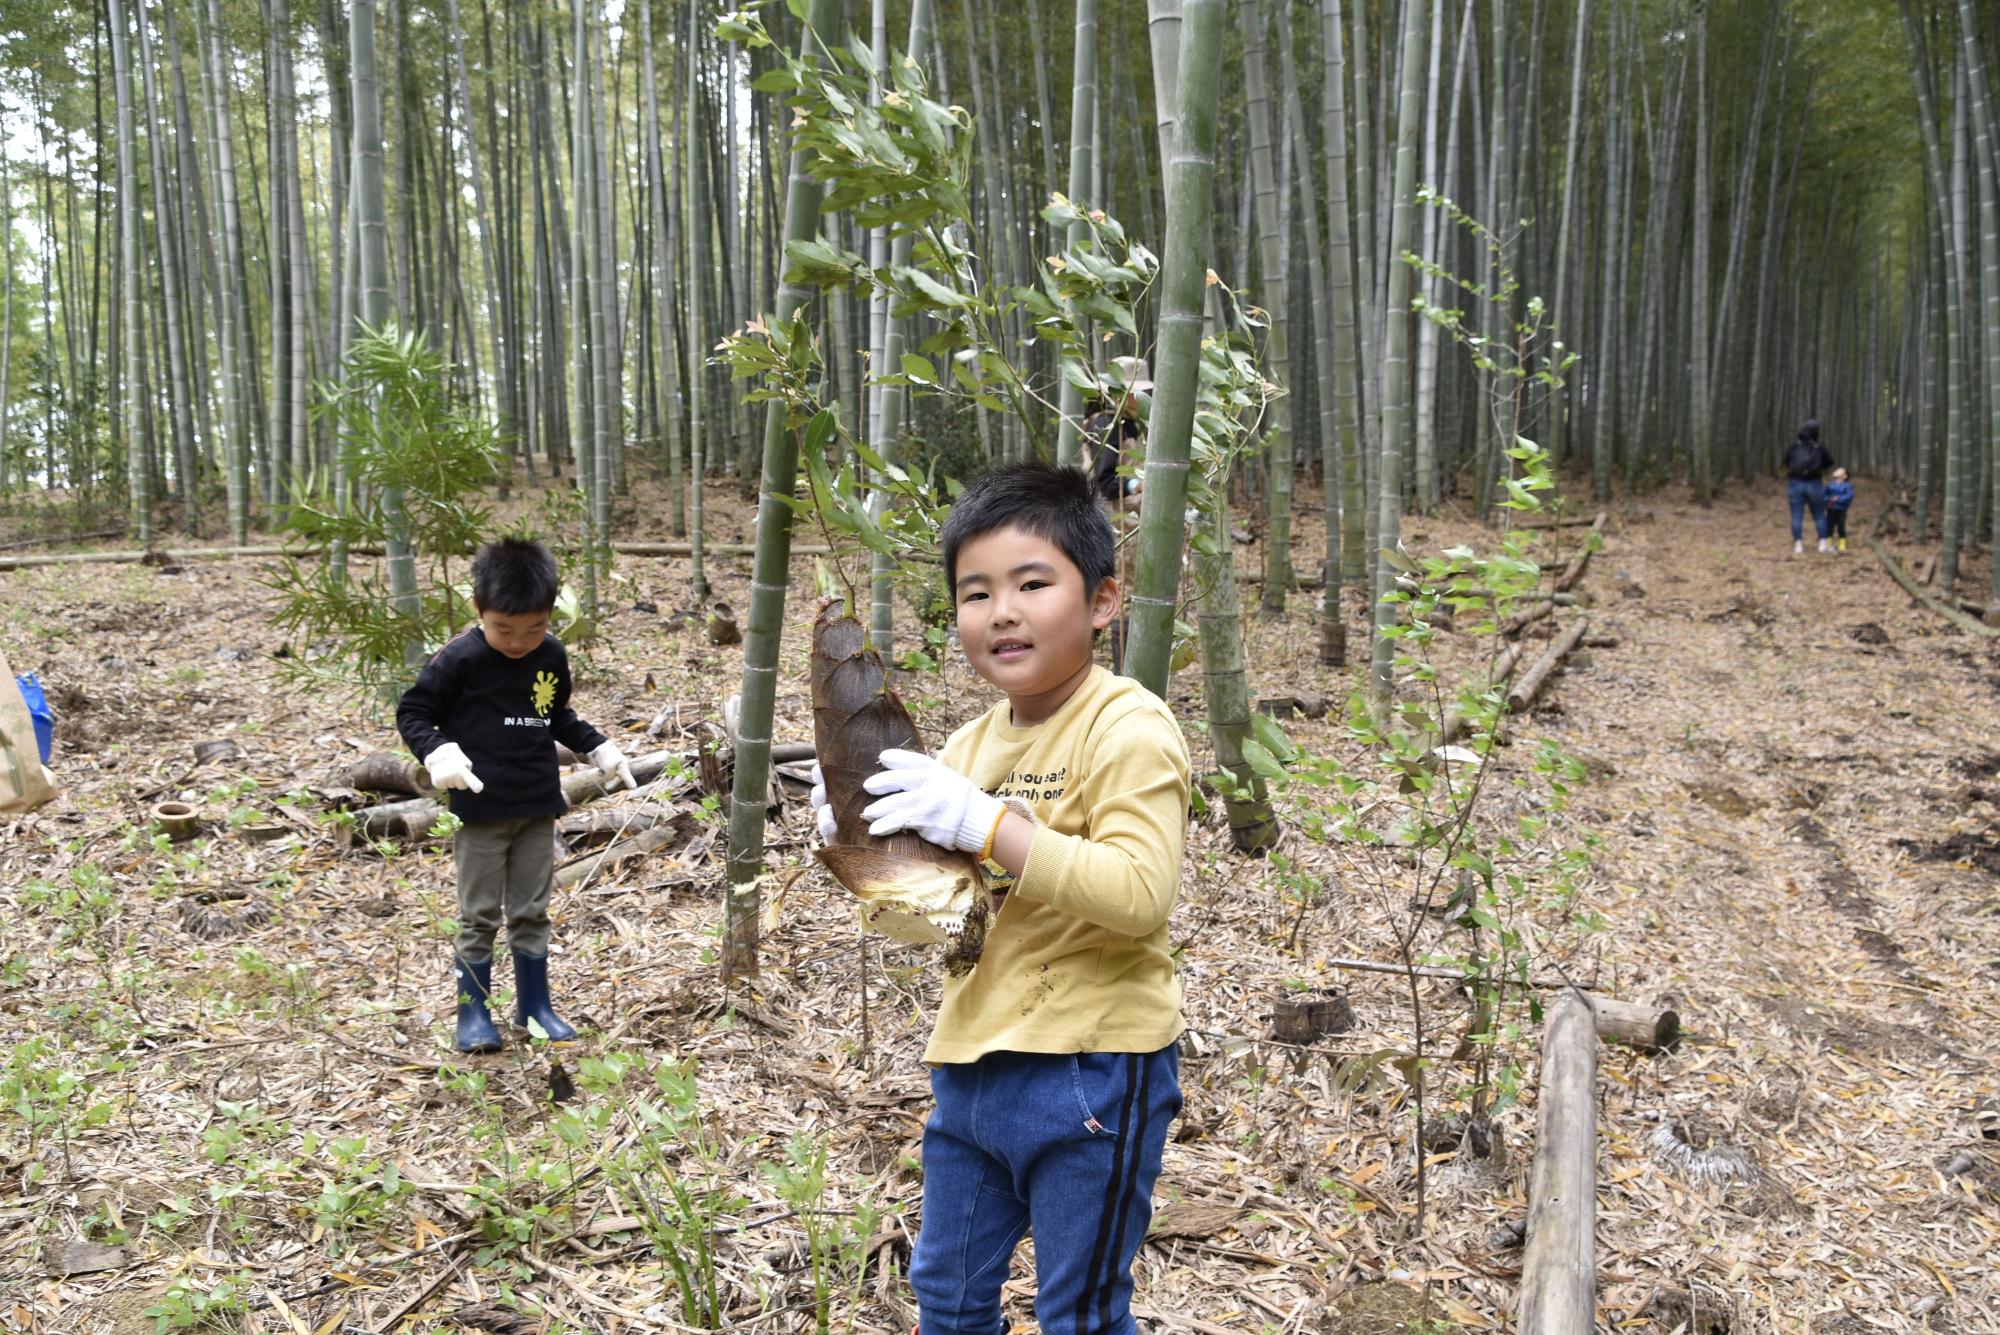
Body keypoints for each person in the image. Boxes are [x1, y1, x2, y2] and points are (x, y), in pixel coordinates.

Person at [810, 462, 1190, 1334]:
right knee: (945, 1296)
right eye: (976, 592)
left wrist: (987, 823)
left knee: (1079, 1312)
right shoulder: (967, 746)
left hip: (1094, 1067)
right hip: (973, 1070)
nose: (1003, 611)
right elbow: (939, 921)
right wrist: (854, 846)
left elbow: (1141, 893)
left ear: (1101, 600)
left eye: (1031, 583)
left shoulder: (1125, 724)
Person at [396, 537, 635, 1053]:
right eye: (503, 628)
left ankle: (535, 1008)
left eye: (535, 628)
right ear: (477, 608)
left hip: (536, 803)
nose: (518, 642)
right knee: (479, 914)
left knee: (531, 910)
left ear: (551, 616)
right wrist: (438, 753)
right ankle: (473, 1014)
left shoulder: (550, 655)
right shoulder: (460, 657)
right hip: (481, 808)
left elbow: (556, 716)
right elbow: (413, 713)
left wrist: (600, 749)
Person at [1784, 418, 1835, 555]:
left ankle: (1798, 545)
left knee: (1796, 515)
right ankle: (1823, 544)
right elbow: (1829, 462)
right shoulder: (1819, 447)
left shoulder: (1794, 446)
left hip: (1795, 483)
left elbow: (1786, 461)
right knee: (1819, 514)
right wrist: (1818, 467)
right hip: (1814, 483)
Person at [1825, 467, 1854, 553]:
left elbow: (1849, 496)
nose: (1837, 471)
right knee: (1829, 526)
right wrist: (1828, 500)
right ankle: (1828, 543)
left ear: (1845, 476)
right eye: (1837, 470)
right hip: (1830, 509)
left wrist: (1838, 499)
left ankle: (1842, 543)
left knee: (1841, 526)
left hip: (1841, 510)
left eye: (1840, 471)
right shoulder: (1829, 485)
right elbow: (1824, 495)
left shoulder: (1847, 486)